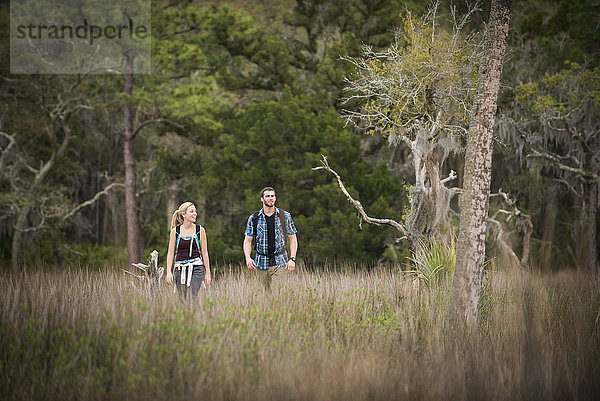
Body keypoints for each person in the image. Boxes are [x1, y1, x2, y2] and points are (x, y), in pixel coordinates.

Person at [243, 187, 298, 290]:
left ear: (275, 198)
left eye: (272, 196)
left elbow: (293, 238)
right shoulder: (254, 218)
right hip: (261, 262)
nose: (270, 198)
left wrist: (292, 259)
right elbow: (247, 240)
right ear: (262, 199)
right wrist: (248, 258)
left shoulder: (284, 216)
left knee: (278, 294)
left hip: (280, 262)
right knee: (263, 295)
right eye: (267, 196)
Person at [166, 201, 211, 298]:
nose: (195, 213)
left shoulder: (200, 230)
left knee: (191, 297)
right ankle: (187, 313)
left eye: (195, 211)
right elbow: (170, 253)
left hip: (197, 267)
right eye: (191, 211)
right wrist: (168, 272)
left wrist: (208, 273)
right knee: (183, 300)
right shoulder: (175, 232)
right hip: (179, 269)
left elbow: (205, 253)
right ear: (183, 214)